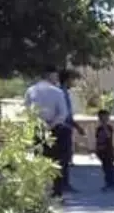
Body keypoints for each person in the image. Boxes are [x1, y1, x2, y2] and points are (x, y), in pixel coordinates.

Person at [24, 67, 70, 198]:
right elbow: (63, 113)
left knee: (38, 159)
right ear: (51, 76)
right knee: (57, 162)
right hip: (55, 129)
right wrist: (51, 125)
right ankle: (57, 192)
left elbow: (28, 111)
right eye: (55, 76)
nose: (57, 79)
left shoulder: (30, 91)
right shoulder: (57, 92)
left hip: (37, 128)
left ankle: (39, 190)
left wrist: (40, 123)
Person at [59, 70, 85, 193]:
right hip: (64, 127)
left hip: (64, 126)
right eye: (71, 79)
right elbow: (66, 114)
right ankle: (63, 183)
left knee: (64, 156)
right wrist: (77, 126)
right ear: (66, 80)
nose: (72, 82)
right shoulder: (62, 93)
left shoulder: (63, 92)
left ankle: (63, 183)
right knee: (64, 156)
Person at [95, 109, 114, 191]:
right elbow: (97, 139)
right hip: (101, 152)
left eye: (105, 118)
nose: (103, 120)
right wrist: (97, 150)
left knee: (110, 169)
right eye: (101, 118)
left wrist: (104, 126)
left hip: (109, 151)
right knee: (105, 169)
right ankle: (108, 183)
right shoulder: (98, 129)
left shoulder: (109, 128)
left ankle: (112, 184)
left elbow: (108, 136)